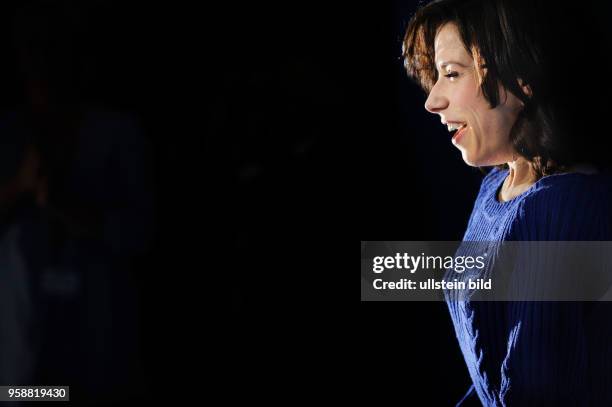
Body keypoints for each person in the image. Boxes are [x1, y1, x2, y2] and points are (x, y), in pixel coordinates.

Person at [403, 0, 612, 405]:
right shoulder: (497, 185)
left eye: (451, 74)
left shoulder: (560, 211)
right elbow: (493, 377)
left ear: (522, 78)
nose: (432, 101)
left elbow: (535, 389)